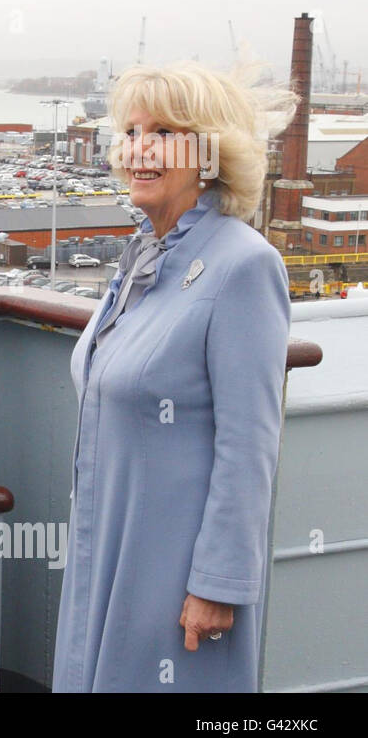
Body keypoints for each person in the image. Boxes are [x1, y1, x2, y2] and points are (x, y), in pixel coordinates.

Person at [53, 61, 296, 692]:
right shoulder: (144, 255)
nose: (138, 148)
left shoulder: (243, 266)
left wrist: (218, 585)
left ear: (210, 152)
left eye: (162, 131)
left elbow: (249, 445)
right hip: (104, 549)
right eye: (132, 131)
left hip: (174, 574)